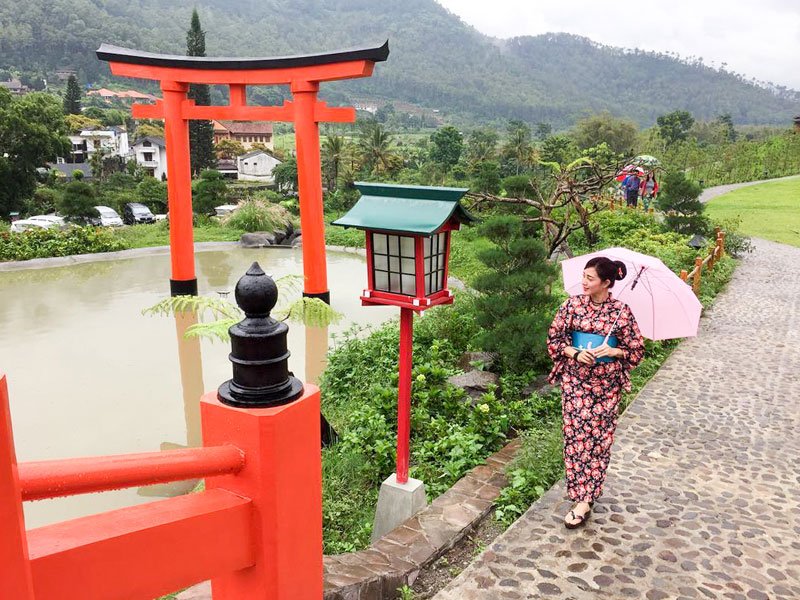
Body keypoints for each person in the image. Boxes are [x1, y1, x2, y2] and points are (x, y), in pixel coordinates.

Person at [546, 256, 645, 529]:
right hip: (575, 384)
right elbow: (554, 340)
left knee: (598, 442)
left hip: (606, 388)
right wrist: (575, 353)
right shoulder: (572, 305)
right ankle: (580, 496)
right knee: (576, 439)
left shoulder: (621, 313)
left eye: (590, 278)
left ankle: (587, 497)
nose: (584, 282)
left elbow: (636, 352)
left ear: (606, 283)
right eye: (584, 276)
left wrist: (614, 351)